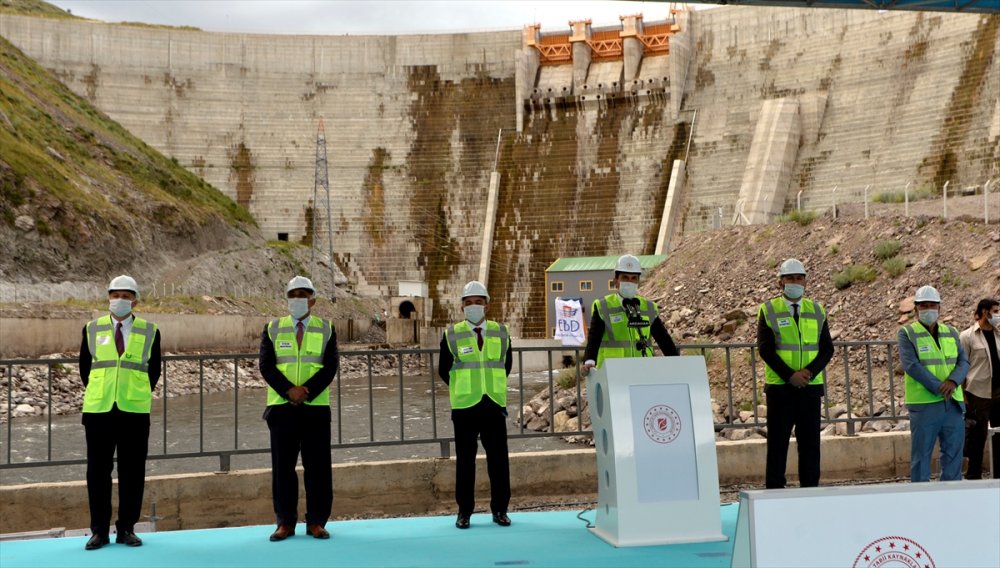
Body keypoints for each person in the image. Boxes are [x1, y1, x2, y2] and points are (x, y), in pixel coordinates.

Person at [78, 275, 161, 550]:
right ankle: (99, 530)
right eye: (116, 295)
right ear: (108, 298)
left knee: (132, 471)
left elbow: (154, 370)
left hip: (134, 411)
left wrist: (134, 392)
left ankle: (126, 528)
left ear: (135, 300)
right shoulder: (92, 328)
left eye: (126, 296)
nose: (120, 300)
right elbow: (85, 369)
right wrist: (103, 391)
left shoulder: (150, 330)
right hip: (99, 409)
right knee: (97, 471)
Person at [259, 276, 338, 541]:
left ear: (313, 300)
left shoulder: (327, 328)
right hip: (282, 408)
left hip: (314, 407)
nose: (297, 299)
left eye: (303, 294)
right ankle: (285, 522)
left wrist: (306, 390)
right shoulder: (272, 328)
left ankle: (316, 521)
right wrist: (288, 390)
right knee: (283, 468)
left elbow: (330, 366)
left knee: (318, 467)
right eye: (293, 295)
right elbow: (266, 366)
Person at [438, 280, 513, 529]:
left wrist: (489, 386)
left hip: (493, 402)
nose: (473, 307)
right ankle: (464, 512)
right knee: (465, 462)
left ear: (487, 306)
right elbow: (443, 370)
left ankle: (500, 509)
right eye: (469, 303)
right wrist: (464, 388)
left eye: (478, 303)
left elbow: (506, 365)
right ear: (462, 307)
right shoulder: (452, 334)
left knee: (499, 460)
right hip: (465, 406)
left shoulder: (501, 332)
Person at [757, 259, 834, 489]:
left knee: (811, 445)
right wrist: (790, 375)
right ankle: (774, 494)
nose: (795, 282)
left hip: (809, 389)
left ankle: (810, 492)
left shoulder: (817, 310)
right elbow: (765, 349)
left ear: (805, 281)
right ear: (780, 281)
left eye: (799, 278)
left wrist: (808, 373)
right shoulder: (769, 309)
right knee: (777, 446)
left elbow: (827, 348)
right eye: (790, 278)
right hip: (781, 390)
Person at [897, 285, 969, 482]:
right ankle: (921, 501)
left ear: (939, 308)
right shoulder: (907, 333)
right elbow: (911, 365)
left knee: (954, 453)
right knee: (921, 456)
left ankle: (951, 498)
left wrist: (953, 381)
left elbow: (964, 361)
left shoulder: (952, 332)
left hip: (952, 402)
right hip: (925, 403)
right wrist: (939, 386)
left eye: (932, 305)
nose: (928, 309)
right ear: (916, 309)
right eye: (924, 305)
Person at [581, 254, 679, 376]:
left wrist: (677, 363)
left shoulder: (648, 307)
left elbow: (663, 339)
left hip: (643, 370)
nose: (629, 282)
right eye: (625, 277)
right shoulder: (604, 306)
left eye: (634, 278)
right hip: (612, 372)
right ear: (615, 280)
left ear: (638, 281)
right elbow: (594, 338)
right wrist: (589, 360)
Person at [959, 298, 1000, 479]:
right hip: (978, 393)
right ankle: (974, 476)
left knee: (999, 434)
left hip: (998, 392)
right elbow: (961, 365)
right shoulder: (967, 336)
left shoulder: (999, 334)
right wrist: (962, 394)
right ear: (985, 312)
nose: (998, 315)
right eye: (996, 311)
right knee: (978, 437)